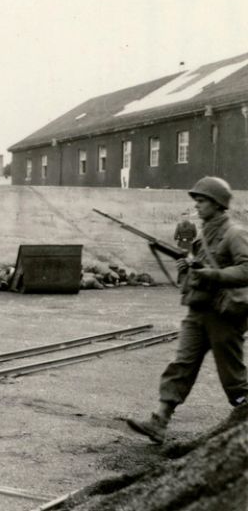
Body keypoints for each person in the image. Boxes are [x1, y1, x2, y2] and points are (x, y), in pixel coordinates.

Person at [127, 177, 248, 444]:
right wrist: (188, 270)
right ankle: (159, 421)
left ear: (218, 204)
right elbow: (200, 269)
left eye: (202, 201)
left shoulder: (234, 233)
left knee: (233, 376)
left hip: (223, 315)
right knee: (181, 365)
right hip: (198, 311)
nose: (197, 206)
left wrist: (212, 275)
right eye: (196, 201)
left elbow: (246, 269)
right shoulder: (203, 234)